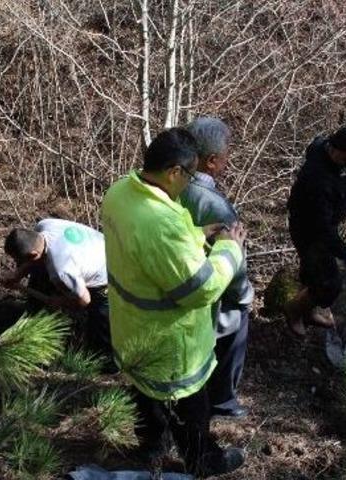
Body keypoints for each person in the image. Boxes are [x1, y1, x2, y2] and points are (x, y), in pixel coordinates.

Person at [102, 128, 246, 476]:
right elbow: (201, 288)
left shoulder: (121, 191)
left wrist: (197, 235)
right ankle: (204, 460)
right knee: (190, 409)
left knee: (145, 397)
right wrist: (231, 248)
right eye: (191, 173)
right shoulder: (161, 223)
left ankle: (150, 449)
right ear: (174, 172)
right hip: (170, 344)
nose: (193, 181)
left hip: (131, 328)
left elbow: (149, 252)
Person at [179, 117, 253, 420]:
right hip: (204, 286)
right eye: (226, 155)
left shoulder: (168, 184)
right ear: (211, 161)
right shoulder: (214, 205)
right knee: (236, 317)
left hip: (169, 284)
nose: (228, 159)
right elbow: (232, 257)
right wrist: (243, 293)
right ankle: (223, 401)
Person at [285, 127, 346, 336]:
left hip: (321, 223)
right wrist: (345, 253)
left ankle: (310, 309)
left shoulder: (323, 148)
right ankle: (294, 310)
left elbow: (318, 140)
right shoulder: (317, 179)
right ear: (333, 150)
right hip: (309, 230)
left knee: (313, 271)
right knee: (329, 283)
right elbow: (322, 228)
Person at [3, 219, 112, 367]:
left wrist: (58, 301)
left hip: (109, 274)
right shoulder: (44, 225)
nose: (17, 264)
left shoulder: (61, 272)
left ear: (33, 255)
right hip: (100, 247)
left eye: (18, 261)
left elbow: (85, 300)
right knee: (39, 274)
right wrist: (17, 275)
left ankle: (105, 367)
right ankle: (33, 320)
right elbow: (34, 259)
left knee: (100, 326)